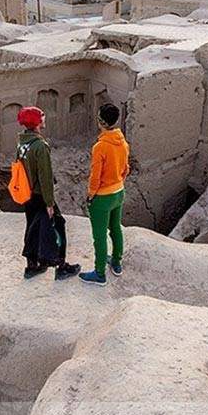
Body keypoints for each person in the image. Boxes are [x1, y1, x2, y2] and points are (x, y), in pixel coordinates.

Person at [17, 106, 80, 281]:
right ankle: (61, 266)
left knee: (32, 228)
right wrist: (49, 203)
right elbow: (45, 177)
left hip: (28, 195)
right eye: (42, 116)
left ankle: (32, 266)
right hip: (39, 195)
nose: (44, 118)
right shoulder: (40, 146)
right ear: (37, 122)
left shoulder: (22, 143)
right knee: (57, 226)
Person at [79, 104, 130, 287]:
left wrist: (91, 195)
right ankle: (116, 263)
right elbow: (126, 169)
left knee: (99, 236)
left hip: (103, 197)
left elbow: (95, 176)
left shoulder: (100, 146)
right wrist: (118, 183)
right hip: (119, 192)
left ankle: (99, 273)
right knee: (115, 228)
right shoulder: (123, 142)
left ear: (100, 121)